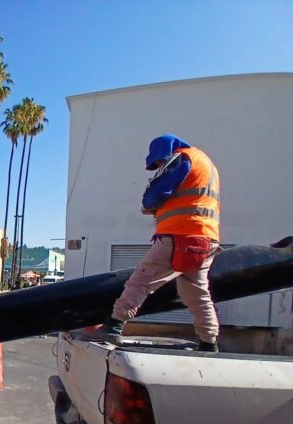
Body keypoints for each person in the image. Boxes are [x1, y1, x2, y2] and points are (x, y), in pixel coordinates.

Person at [88, 134, 220, 351]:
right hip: (205, 238)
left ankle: (114, 326)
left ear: (164, 151)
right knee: (196, 293)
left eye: (158, 162)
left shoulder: (182, 157)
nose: (159, 165)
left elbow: (159, 192)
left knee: (141, 280)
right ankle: (209, 341)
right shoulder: (207, 164)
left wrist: (150, 204)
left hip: (178, 236)